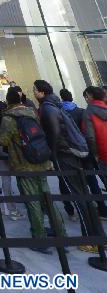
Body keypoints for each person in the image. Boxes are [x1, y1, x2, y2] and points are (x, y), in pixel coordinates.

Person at [34, 79, 102, 253]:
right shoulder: (57, 105)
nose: (33, 92)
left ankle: (90, 239)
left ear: (41, 92)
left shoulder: (47, 108)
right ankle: (98, 236)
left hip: (65, 156)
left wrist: (53, 155)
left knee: (78, 196)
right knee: (83, 195)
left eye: (35, 90)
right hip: (74, 153)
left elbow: (55, 133)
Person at [0, 86, 65, 254]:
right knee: (47, 198)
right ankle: (61, 235)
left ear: (7, 101)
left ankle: (39, 237)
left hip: (24, 165)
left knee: (33, 202)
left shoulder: (8, 118)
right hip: (41, 161)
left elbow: (3, 140)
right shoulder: (32, 112)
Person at [82, 85, 107, 189]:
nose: (86, 99)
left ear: (90, 96)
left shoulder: (88, 112)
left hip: (102, 152)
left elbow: (90, 137)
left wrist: (95, 154)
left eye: (86, 97)